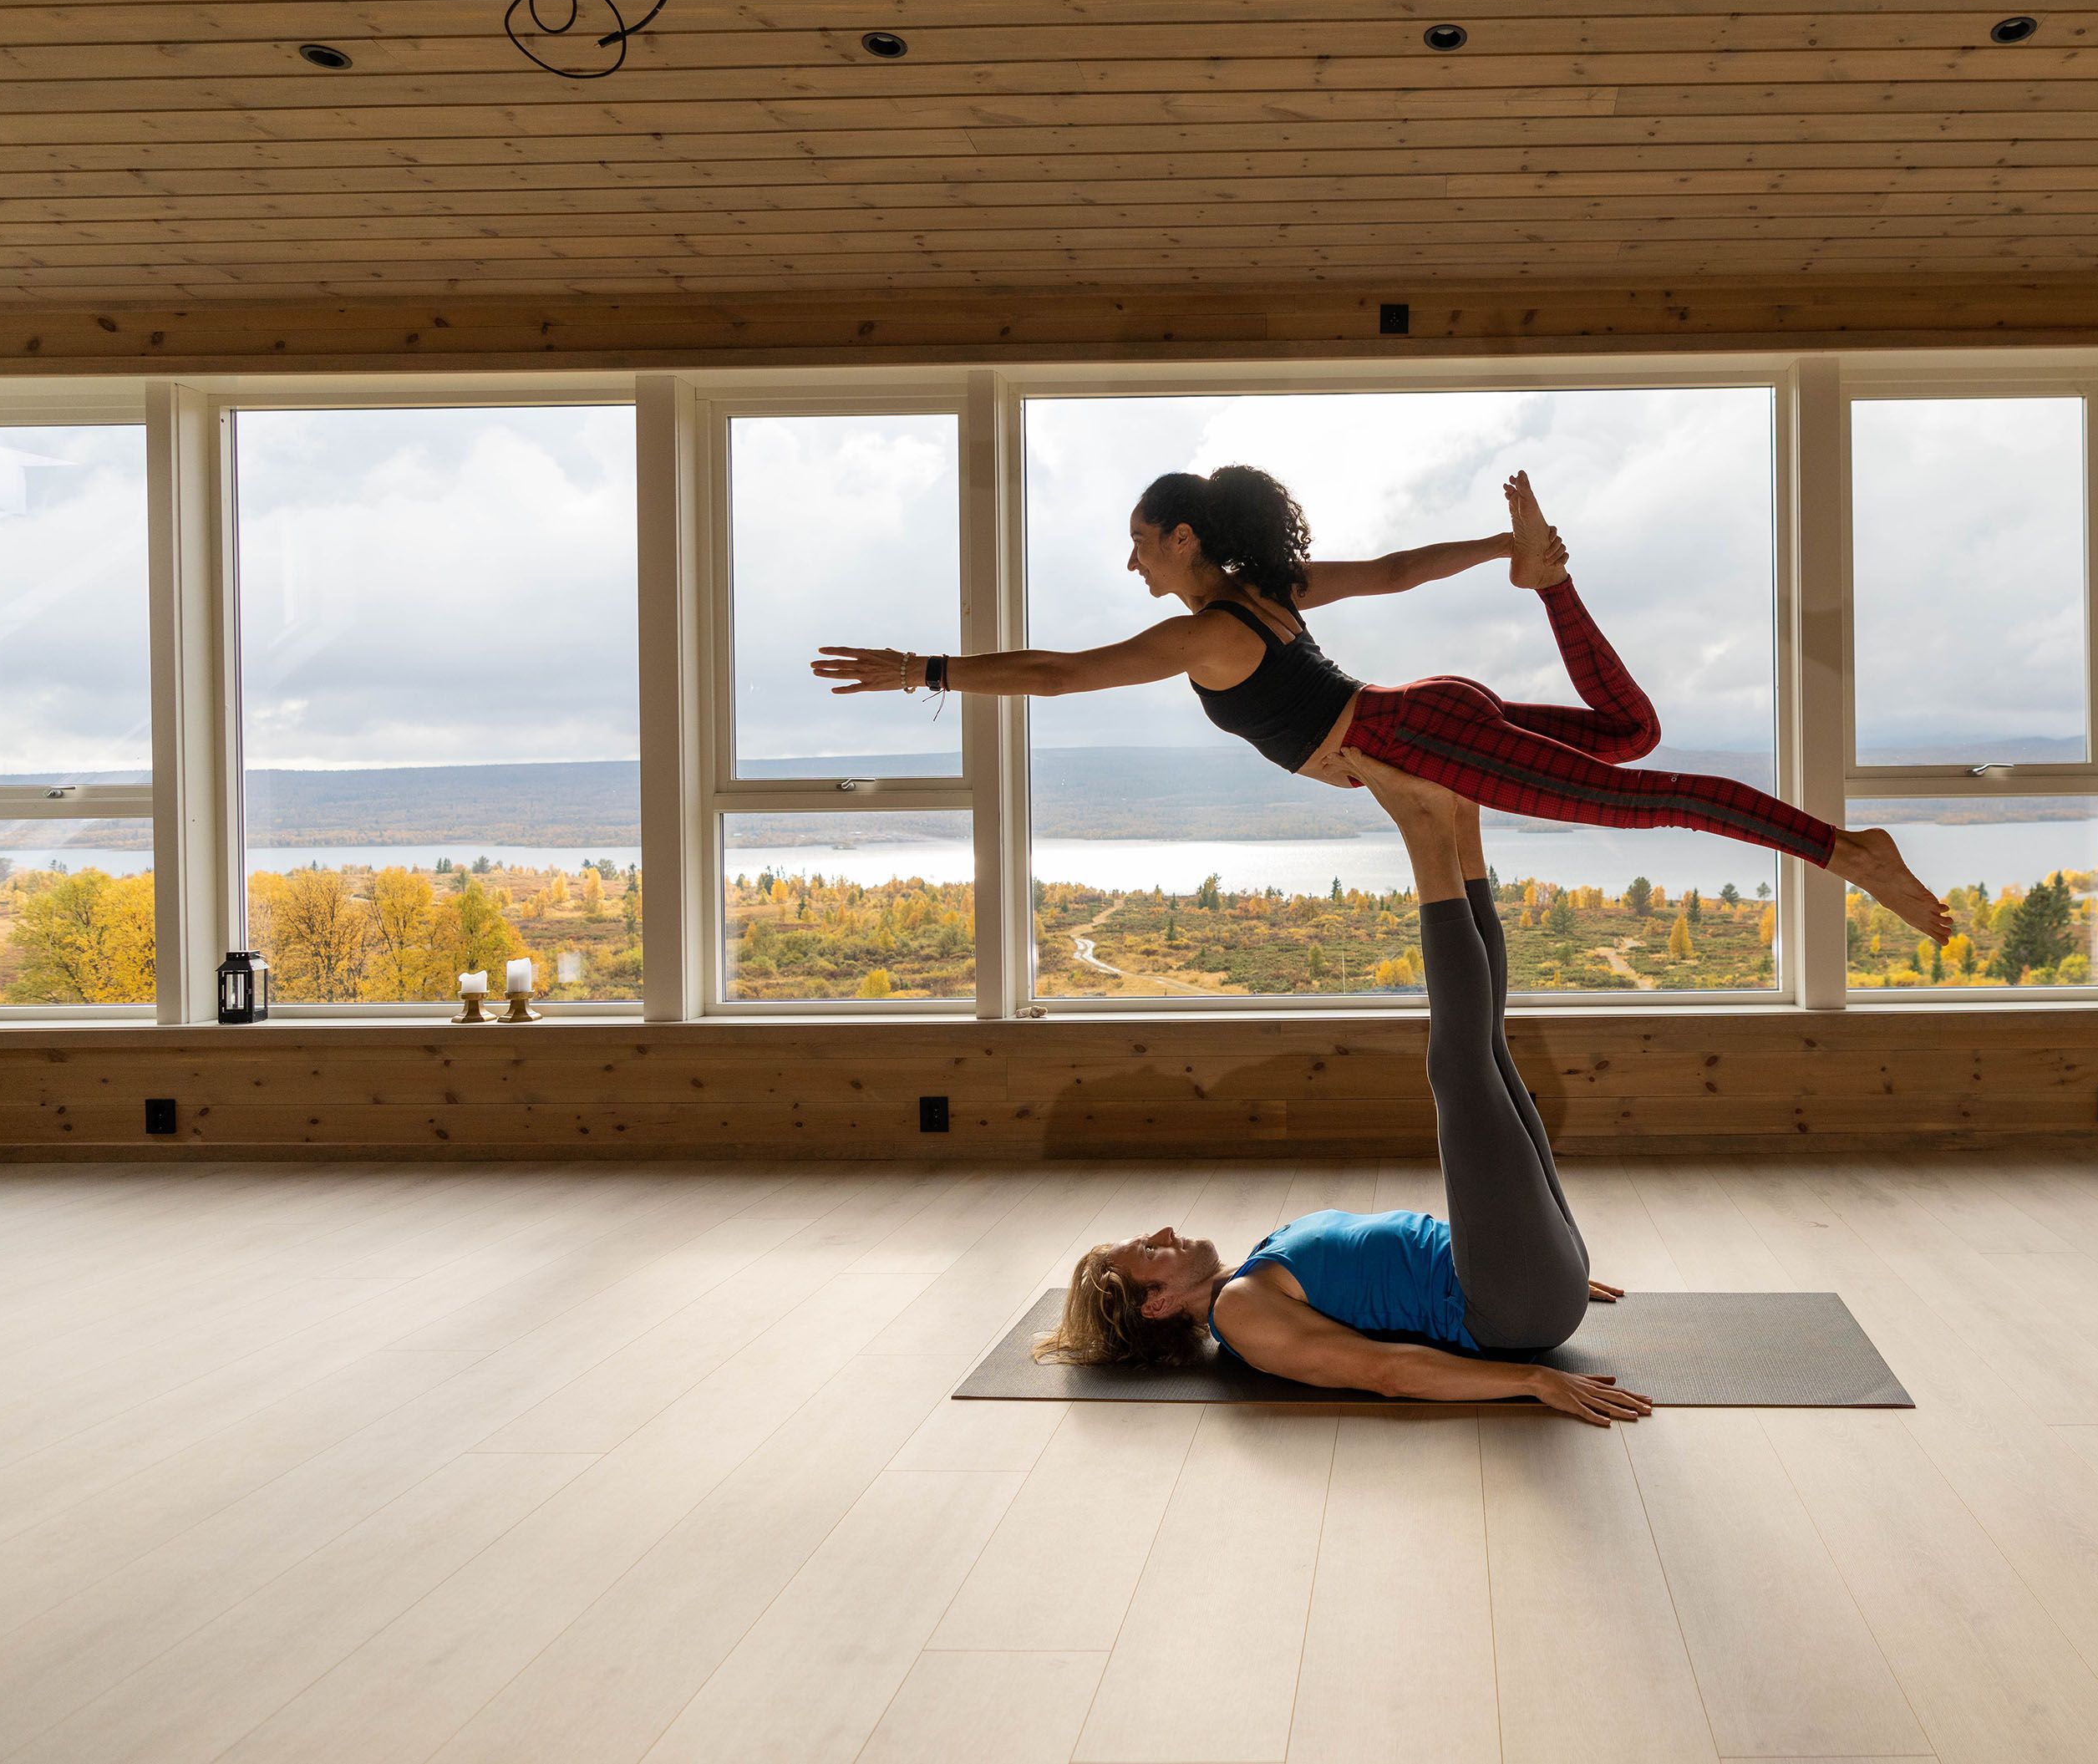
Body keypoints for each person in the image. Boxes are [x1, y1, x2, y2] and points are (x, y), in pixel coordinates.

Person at [808, 465, 1953, 941]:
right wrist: (1510, 547)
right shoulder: (1270, 594)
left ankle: (1848, 848)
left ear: (1185, 537)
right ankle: (1551, 585)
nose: (1135, 563)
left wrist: (926, 671)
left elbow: (1063, 674)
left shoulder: (1210, 627)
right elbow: (1399, 568)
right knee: (1631, 738)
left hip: (1410, 735)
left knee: (1651, 795)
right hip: (1424, 714)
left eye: (1141, 544)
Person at [1029, 759, 1654, 1426]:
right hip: (1507, 1301)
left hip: (1520, 1276)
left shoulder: (1254, 1271)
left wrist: (1536, 1256)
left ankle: (1459, 814)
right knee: (1460, 1064)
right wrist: (1531, 1379)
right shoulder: (1240, 1312)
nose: (1166, 1231)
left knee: (1487, 1050)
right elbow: (1384, 1373)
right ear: (1155, 1304)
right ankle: (1425, 823)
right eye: (1150, 1249)